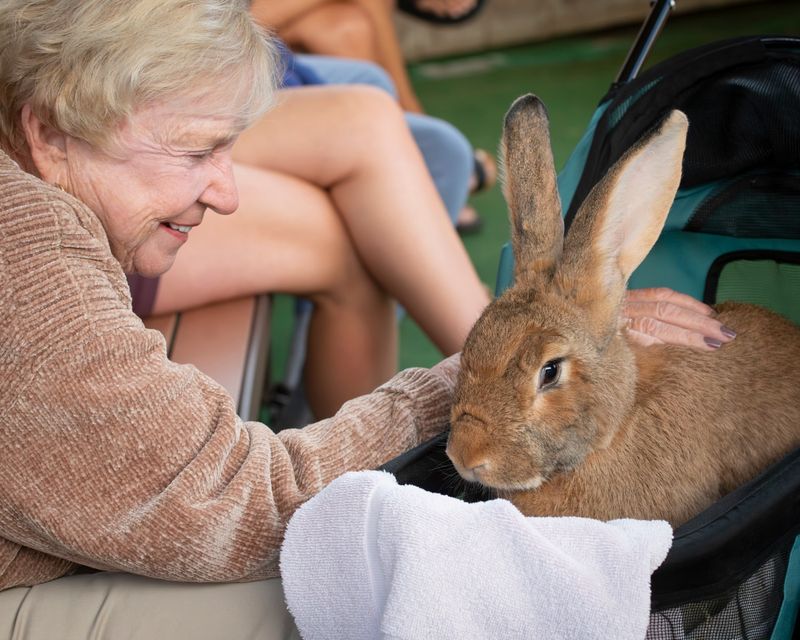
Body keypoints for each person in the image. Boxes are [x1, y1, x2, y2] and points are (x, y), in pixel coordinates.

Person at [0, 0, 736, 637]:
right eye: (196, 150)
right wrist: (464, 387)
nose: (228, 194)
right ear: (48, 134)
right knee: (365, 589)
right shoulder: (30, 268)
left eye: (228, 150)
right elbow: (236, 503)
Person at [251, 0, 497, 232]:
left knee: (346, 29)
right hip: (228, 21)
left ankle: (401, 167)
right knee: (354, 23)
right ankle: (413, 157)